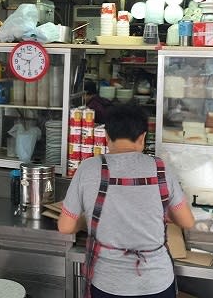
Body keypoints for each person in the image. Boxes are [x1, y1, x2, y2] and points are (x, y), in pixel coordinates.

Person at [58, 104, 194, 298]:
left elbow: (65, 226)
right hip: (157, 284)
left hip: (108, 284)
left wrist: (88, 220)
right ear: (142, 138)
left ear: (106, 136)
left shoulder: (88, 168)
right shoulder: (161, 169)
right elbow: (187, 221)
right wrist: (162, 211)